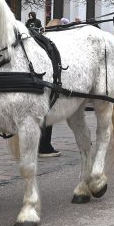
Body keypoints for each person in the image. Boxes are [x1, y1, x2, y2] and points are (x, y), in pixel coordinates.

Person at [37, 18, 63, 157]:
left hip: (37, 79)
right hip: (48, 81)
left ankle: (38, 145)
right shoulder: (54, 42)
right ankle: (45, 147)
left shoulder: (40, 39)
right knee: (47, 114)